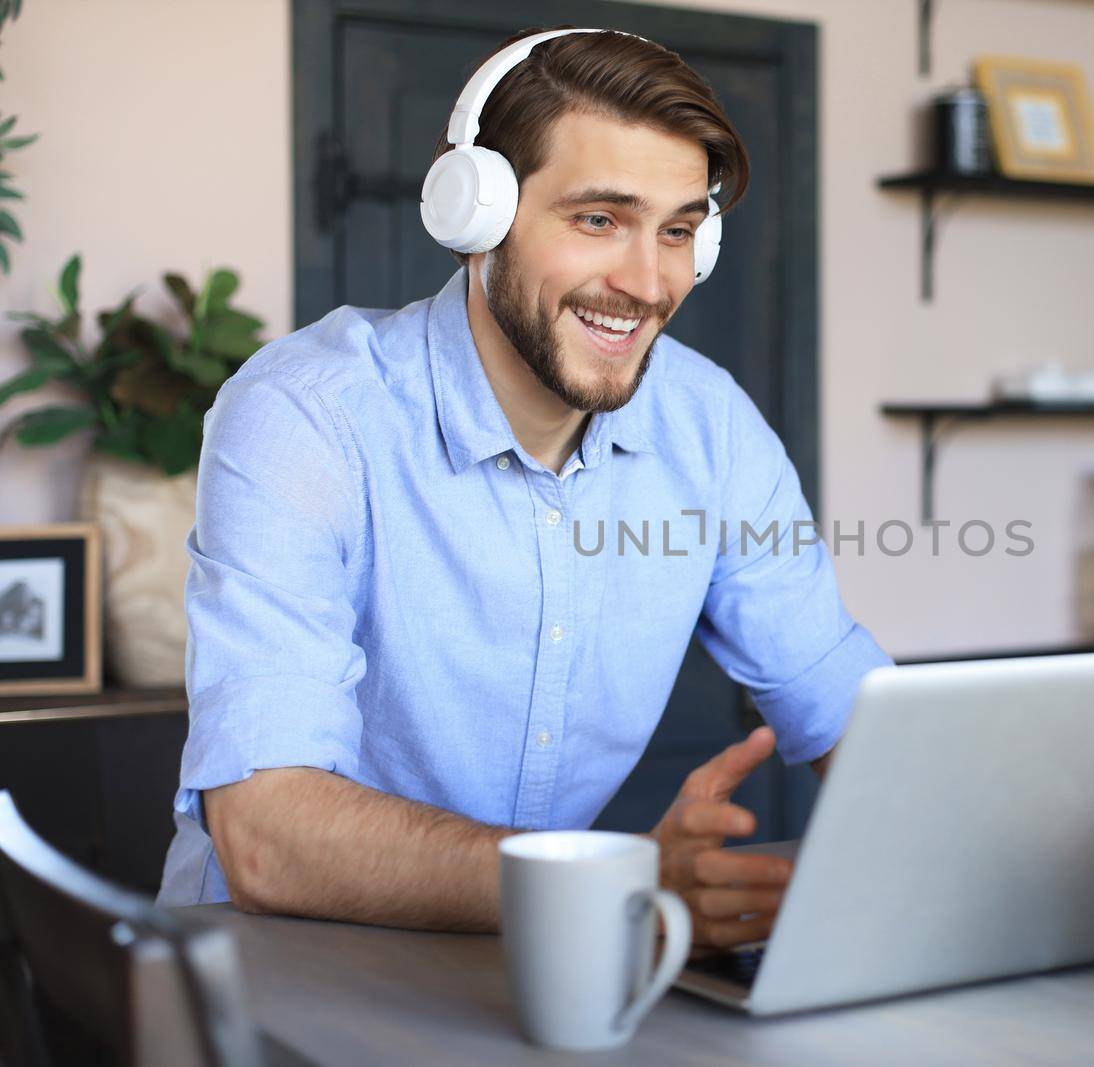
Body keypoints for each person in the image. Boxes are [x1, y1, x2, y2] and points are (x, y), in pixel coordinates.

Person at [156, 27, 891, 946]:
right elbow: (267, 835)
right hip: (272, 975)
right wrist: (613, 882)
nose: (646, 281)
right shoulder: (306, 415)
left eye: (677, 231)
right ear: (477, 214)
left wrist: (1022, 840)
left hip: (536, 958)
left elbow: (840, 701)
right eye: (598, 220)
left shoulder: (710, 426)